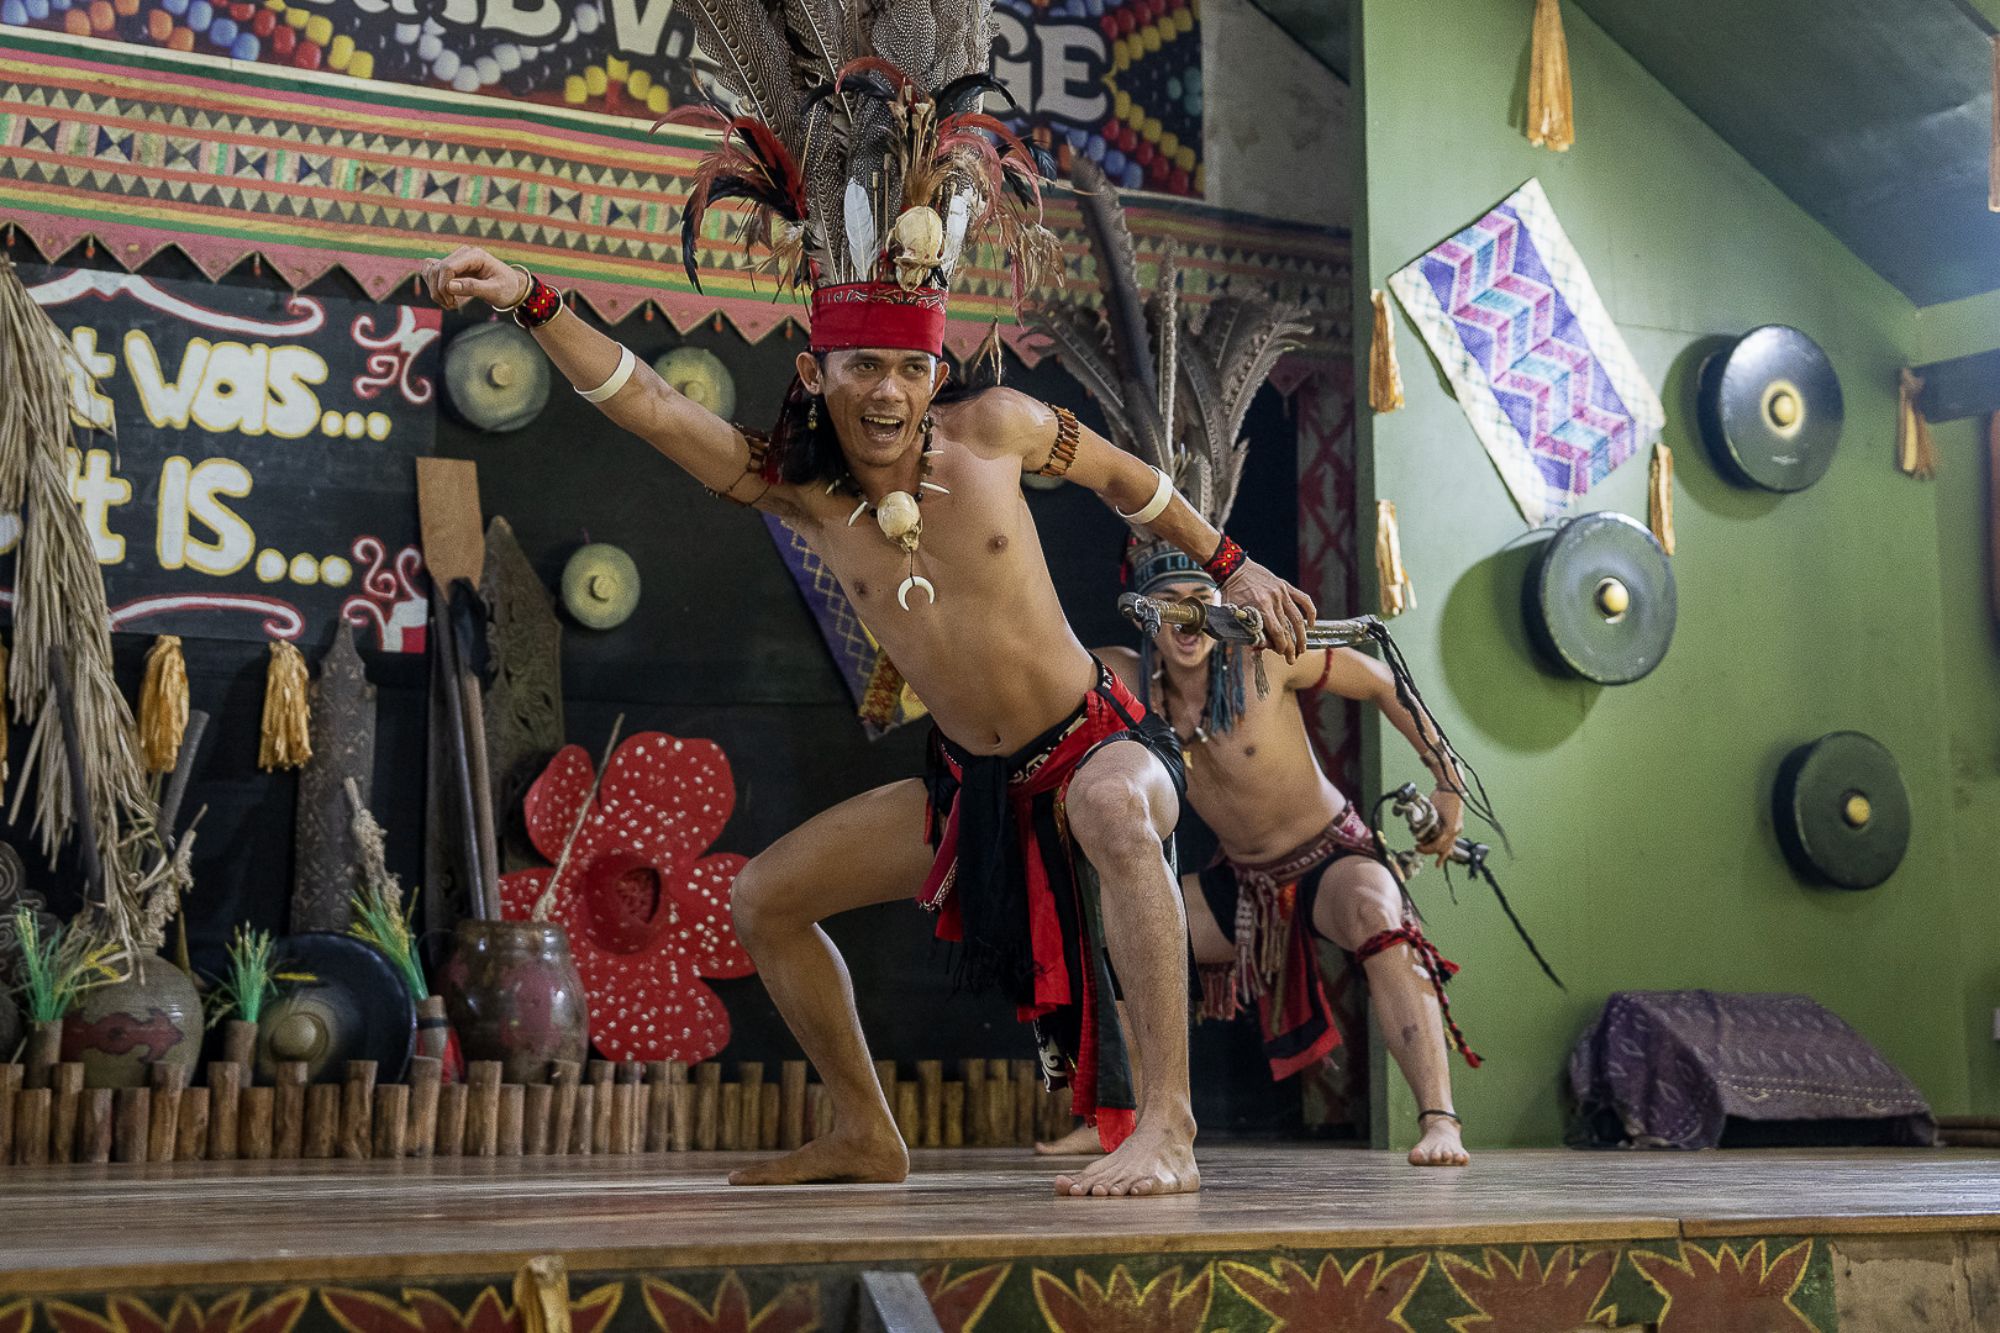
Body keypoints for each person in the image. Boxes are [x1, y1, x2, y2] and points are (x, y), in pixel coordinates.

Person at [418, 56, 1314, 1195]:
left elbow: (1130, 480)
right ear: (816, 368)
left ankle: (1169, 1126)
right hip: (971, 789)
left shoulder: (997, 429)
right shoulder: (799, 493)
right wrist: (532, 299)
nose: (887, 391)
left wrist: (1230, 563)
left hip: (1100, 744)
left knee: (1106, 806)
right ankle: (863, 1130)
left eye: (909, 367)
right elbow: (648, 401)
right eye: (862, 367)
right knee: (763, 899)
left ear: (935, 371)